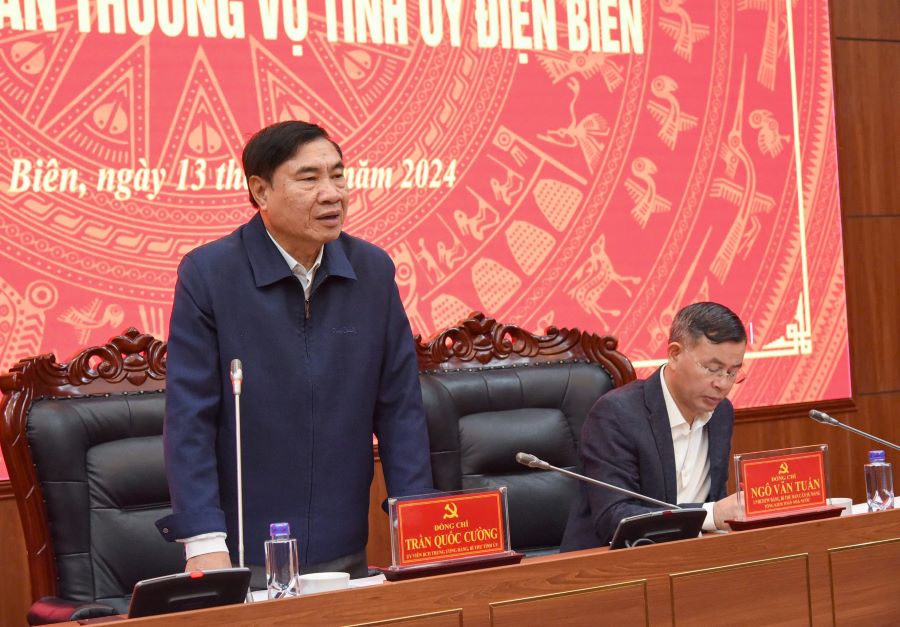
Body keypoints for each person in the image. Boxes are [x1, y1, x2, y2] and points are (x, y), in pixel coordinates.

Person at [156, 121, 434, 580]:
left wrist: (418, 523)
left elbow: (400, 409)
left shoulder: (372, 271)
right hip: (242, 551)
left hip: (343, 544)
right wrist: (203, 542)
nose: (332, 194)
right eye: (309, 178)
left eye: (338, 175)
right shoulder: (210, 275)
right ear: (261, 191)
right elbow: (190, 418)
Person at [560, 302, 746, 550]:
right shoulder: (616, 415)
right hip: (613, 562)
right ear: (675, 354)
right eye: (713, 369)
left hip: (693, 557)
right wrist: (711, 514)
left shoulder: (721, 413)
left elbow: (715, 497)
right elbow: (616, 517)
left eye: (732, 372)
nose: (722, 384)